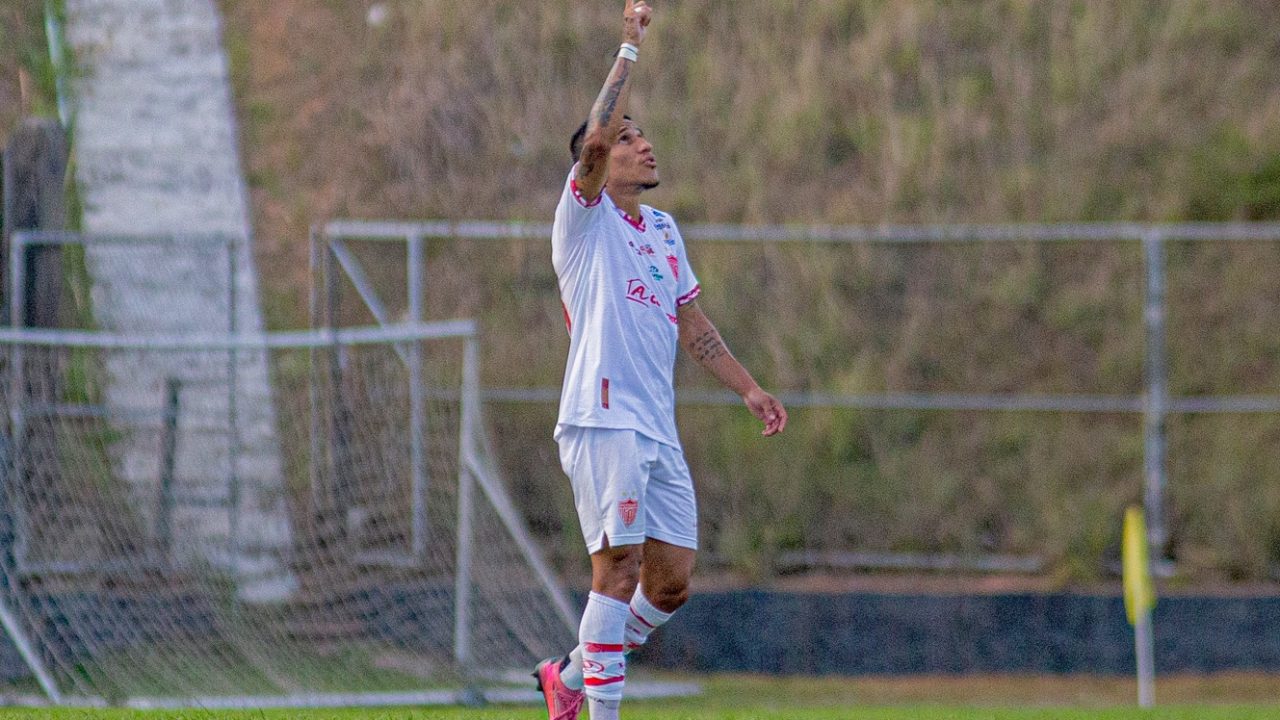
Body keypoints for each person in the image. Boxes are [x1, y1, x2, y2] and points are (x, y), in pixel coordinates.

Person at [534, 1, 788, 718]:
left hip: (655, 424)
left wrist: (748, 388)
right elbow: (594, 139)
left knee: (669, 582)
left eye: (643, 138)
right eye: (628, 140)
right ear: (598, 158)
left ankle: (573, 679)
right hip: (603, 416)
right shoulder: (584, 220)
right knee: (614, 574)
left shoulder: (665, 230)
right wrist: (629, 47)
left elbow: (691, 322)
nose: (644, 147)